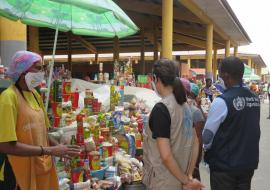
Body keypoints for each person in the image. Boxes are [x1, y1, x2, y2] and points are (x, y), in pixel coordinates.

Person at [0, 51, 81, 190]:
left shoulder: (35, 95)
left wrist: (61, 149)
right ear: (23, 71)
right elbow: (5, 145)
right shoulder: (8, 98)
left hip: (39, 166)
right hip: (16, 173)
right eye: (38, 68)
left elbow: (43, 132)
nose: (41, 72)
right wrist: (49, 150)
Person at [143, 59, 204, 190]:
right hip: (181, 179)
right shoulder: (185, 106)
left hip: (164, 182)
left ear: (156, 79)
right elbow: (195, 143)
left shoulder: (162, 109)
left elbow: (165, 156)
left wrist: (186, 181)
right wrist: (188, 176)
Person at [202, 56, 260, 190]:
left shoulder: (222, 101)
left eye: (220, 74)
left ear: (226, 76)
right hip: (248, 163)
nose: (219, 78)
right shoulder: (254, 98)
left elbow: (207, 136)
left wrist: (206, 152)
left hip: (225, 166)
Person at [180, 79, 205, 181]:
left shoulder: (188, 109)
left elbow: (197, 139)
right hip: (188, 157)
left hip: (185, 157)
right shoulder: (195, 111)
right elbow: (199, 138)